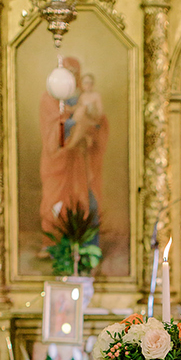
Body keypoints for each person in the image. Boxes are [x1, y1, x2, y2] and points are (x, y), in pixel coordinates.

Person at [39, 58, 109, 247]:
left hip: (78, 163)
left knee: (86, 201)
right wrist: (72, 121)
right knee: (55, 202)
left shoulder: (82, 97)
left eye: (74, 73)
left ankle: (87, 247)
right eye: (67, 71)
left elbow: (97, 125)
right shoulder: (48, 99)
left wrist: (91, 124)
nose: (71, 76)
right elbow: (51, 133)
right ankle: (54, 246)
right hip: (57, 163)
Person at [64, 73, 104, 151]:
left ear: (93, 84)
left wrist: (91, 110)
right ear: (82, 85)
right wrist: (69, 109)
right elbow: (77, 107)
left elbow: (100, 112)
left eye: (90, 83)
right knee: (79, 120)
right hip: (81, 119)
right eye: (86, 83)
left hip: (91, 120)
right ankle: (82, 138)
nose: (88, 85)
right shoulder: (82, 96)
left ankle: (71, 145)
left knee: (82, 112)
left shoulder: (96, 95)